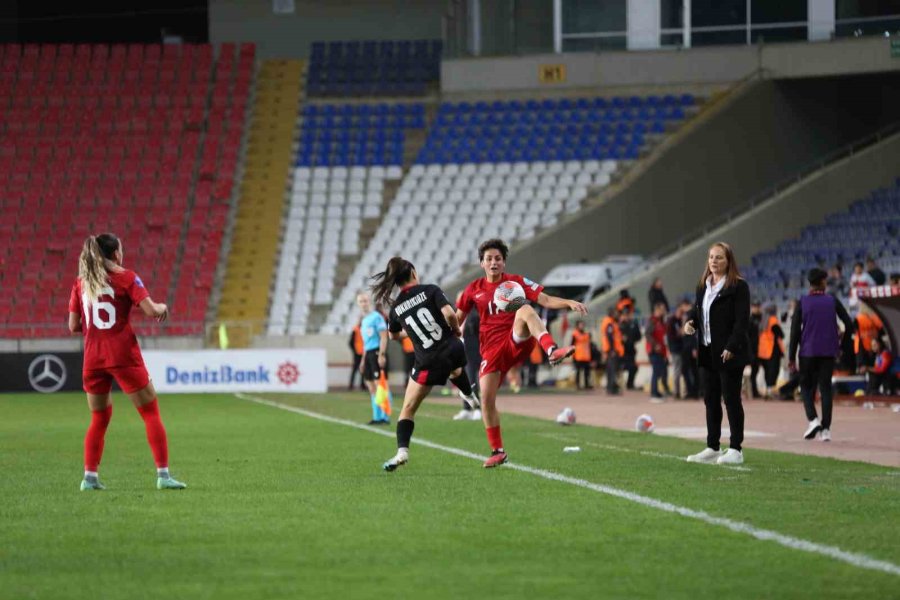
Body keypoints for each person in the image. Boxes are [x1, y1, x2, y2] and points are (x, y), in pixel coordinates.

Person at [68, 233, 186, 491]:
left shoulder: (81, 282)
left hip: (92, 358)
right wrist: (163, 307)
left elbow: (73, 325)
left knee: (99, 418)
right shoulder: (127, 277)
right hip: (122, 355)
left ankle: (89, 478)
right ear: (116, 254)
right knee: (150, 412)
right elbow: (151, 310)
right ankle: (164, 476)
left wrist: (95, 329)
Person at [456, 239, 586, 468]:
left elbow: (544, 300)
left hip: (516, 338)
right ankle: (497, 451)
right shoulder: (473, 289)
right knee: (486, 401)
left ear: (504, 262)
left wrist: (568, 302)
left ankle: (552, 350)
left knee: (525, 308)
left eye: (498, 258)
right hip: (490, 350)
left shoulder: (516, 282)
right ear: (482, 263)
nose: (494, 262)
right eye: (489, 259)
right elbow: (457, 319)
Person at [371, 257, 480, 472]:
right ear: (413, 271)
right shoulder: (430, 290)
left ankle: (402, 451)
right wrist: (456, 330)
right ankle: (468, 394)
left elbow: (393, 336)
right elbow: (449, 314)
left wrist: (409, 332)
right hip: (452, 348)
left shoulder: (396, 309)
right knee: (454, 368)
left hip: (427, 360)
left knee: (408, 409)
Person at [684, 241, 750, 465]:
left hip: (728, 352)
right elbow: (698, 310)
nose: (714, 261)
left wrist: (731, 346)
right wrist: (690, 322)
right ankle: (713, 446)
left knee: (731, 399)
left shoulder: (738, 286)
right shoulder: (703, 285)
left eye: (719, 257)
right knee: (710, 399)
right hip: (706, 350)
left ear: (728, 261)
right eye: (711, 257)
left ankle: (736, 449)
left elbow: (742, 321)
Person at [788, 268, 855, 443]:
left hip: (808, 352)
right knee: (825, 389)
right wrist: (841, 342)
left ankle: (813, 420)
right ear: (823, 282)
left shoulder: (802, 302)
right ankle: (826, 430)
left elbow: (795, 332)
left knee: (806, 388)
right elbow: (849, 323)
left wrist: (790, 357)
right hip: (828, 352)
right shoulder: (832, 301)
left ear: (810, 283)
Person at [357, 292, 390, 425]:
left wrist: (381, 354)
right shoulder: (364, 320)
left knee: (380, 385)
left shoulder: (377, 317)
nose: (363, 303)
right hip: (368, 354)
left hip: (376, 352)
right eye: (361, 301)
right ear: (358, 304)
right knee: (371, 386)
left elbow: (383, 336)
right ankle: (376, 416)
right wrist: (363, 360)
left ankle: (385, 416)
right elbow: (365, 343)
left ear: (369, 302)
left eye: (365, 301)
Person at [453, 290, 483, 421]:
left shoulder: (474, 315)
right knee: (462, 381)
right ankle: (466, 408)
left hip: (472, 351)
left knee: (472, 380)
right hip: (460, 352)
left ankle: (477, 409)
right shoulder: (455, 315)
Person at [757, 305, 785, 398]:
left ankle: (768, 389)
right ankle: (770, 391)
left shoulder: (762, 320)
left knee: (767, 371)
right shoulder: (772, 319)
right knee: (773, 371)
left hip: (763, 351)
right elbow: (779, 333)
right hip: (772, 350)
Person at [646, 302, 669, 401]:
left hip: (661, 351)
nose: (664, 312)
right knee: (656, 372)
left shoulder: (661, 322)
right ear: (657, 310)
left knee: (659, 371)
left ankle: (656, 391)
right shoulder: (653, 321)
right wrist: (655, 345)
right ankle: (653, 393)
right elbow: (647, 334)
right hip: (654, 351)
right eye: (662, 310)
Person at [599, 307, 624, 395]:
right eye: (616, 313)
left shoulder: (611, 322)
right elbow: (610, 336)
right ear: (612, 313)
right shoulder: (609, 322)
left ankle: (610, 388)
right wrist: (612, 349)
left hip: (610, 349)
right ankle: (612, 388)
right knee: (612, 369)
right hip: (611, 349)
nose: (618, 315)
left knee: (610, 369)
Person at [679, 299, 700, 399]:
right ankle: (694, 391)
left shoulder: (690, 315)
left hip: (689, 347)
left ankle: (693, 391)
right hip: (689, 346)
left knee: (687, 370)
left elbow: (692, 333)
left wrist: (694, 348)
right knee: (692, 370)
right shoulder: (691, 314)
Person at [666, 303, 685, 399]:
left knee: (680, 371)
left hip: (680, 349)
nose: (681, 315)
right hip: (675, 349)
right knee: (677, 371)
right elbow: (671, 336)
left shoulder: (679, 321)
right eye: (680, 312)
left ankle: (678, 391)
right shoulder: (671, 322)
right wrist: (680, 333)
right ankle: (676, 392)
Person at [619, 310, 641, 390]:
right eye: (624, 315)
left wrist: (631, 340)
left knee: (634, 368)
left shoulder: (633, 324)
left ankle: (629, 384)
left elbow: (638, 336)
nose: (625, 317)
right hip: (621, 352)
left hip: (631, 351)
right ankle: (618, 384)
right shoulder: (618, 325)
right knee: (621, 368)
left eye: (627, 315)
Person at [570, 320, 593, 390]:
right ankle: (578, 385)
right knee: (578, 372)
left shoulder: (587, 334)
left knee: (587, 372)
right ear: (577, 326)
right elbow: (572, 345)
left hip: (586, 356)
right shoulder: (575, 334)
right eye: (580, 325)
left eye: (583, 325)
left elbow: (590, 345)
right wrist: (572, 355)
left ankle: (587, 384)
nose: (582, 326)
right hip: (578, 356)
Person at [747, 301, 763, 398]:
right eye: (754, 306)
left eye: (757, 306)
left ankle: (755, 391)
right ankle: (754, 391)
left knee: (756, 371)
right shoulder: (750, 320)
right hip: (753, 349)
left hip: (763, 349)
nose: (756, 308)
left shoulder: (763, 319)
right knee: (754, 372)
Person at [348, 320, 365, 390]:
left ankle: (362, 385)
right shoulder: (355, 329)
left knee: (363, 369)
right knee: (355, 369)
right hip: (357, 353)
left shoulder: (364, 329)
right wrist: (355, 351)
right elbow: (350, 342)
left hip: (364, 352)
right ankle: (351, 385)